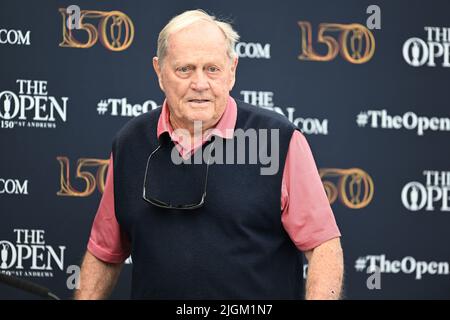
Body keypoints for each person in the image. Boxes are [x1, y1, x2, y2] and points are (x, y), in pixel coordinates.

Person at [74, 9, 343, 300]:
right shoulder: (129, 144)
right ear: (159, 72)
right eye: (185, 69)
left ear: (232, 71)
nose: (200, 84)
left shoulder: (279, 141)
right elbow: (104, 253)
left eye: (212, 69)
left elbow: (323, 248)